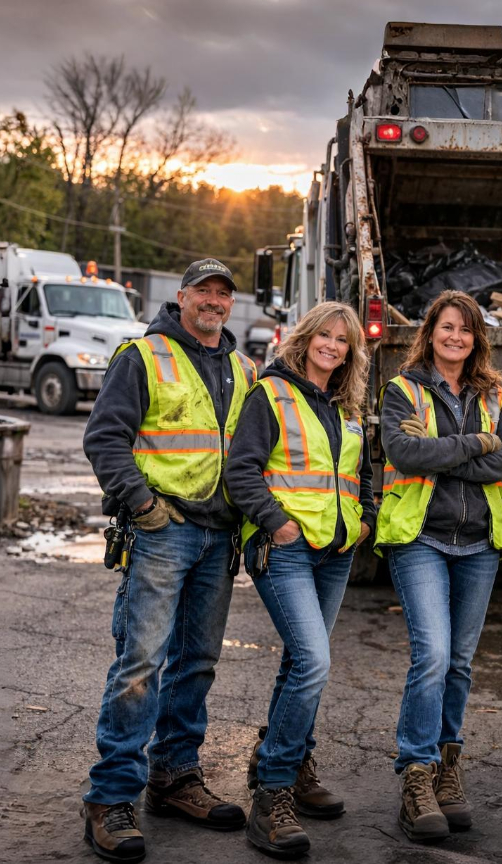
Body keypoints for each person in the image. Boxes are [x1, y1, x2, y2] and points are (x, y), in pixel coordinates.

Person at [82, 258, 256, 862]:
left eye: (223, 293)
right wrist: (142, 504)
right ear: (181, 297)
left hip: (218, 535)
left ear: (232, 304)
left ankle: (175, 778)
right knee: (140, 664)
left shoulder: (241, 366)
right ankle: (110, 798)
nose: (213, 300)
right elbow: (104, 436)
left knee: (197, 664)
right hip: (163, 530)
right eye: (203, 290)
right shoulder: (144, 356)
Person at [224, 301, 377, 859]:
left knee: (299, 661)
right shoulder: (272, 393)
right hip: (284, 549)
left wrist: (366, 519)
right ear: (305, 337)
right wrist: (276, 522)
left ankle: (289, 762)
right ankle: (272, 795)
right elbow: (240, 469)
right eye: (326, 336)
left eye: (344, 341)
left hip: (335, 552)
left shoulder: (348, 404)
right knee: (313, 661)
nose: (333, 346)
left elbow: (362, 471)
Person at [376, 290, 502, 842]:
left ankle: (446, 767)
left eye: (465, 329)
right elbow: (406, 455)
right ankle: (416, 776)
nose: (455, 337)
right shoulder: (404, 390)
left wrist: (450, 451)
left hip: (480, 541)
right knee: (433, 654)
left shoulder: (494, 393)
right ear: (430, 332)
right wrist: (476, 445)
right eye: (446, 327)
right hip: (421, 537)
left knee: (459, 661)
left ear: (476, 337)